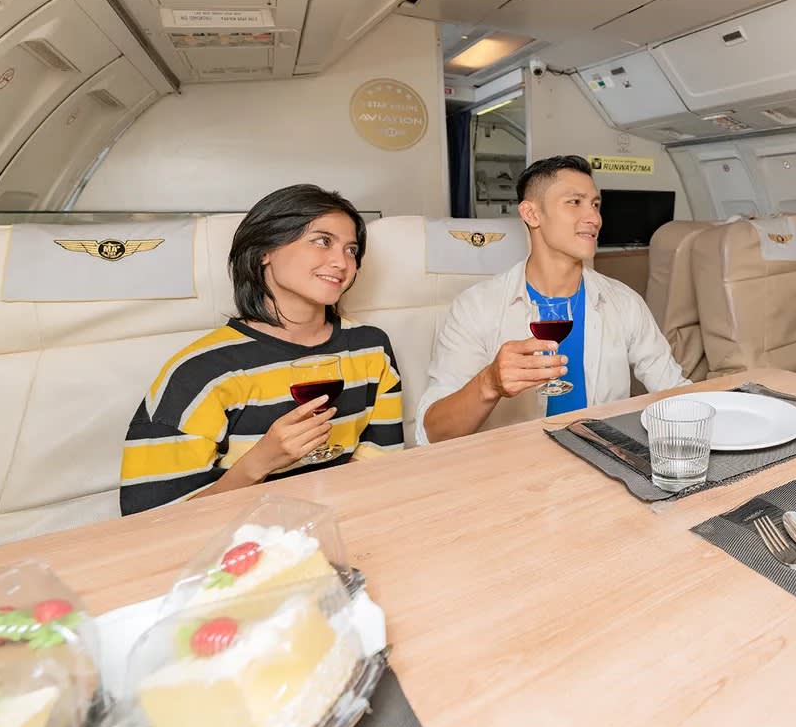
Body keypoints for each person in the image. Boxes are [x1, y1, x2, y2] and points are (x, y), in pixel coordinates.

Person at [120, 185, 404, 513]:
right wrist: (260, 462)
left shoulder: (371, 348)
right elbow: (150, 519)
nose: (342, 262)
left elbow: (380, 466)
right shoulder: (200, 372)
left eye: (351, 250)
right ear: (264, 251)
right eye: (322, 241)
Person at [417, 155, 687, 443]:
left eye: (595, 205)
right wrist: (489, 382)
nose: (594, 218)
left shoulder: (624, 303)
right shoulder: (476, 308)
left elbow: (676, 391)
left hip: (602, 460)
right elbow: (433, 433)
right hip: (514, 464)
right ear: (531, 214)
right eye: (575, 202)